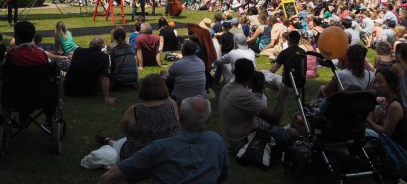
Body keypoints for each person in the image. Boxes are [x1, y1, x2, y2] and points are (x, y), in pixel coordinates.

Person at [98, 96, 229, 184]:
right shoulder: (216, 141)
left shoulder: (160, 148)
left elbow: (108, 176)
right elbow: (223, 176)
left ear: (180, 118)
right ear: (208, 120)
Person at [95, 74, 180, 161]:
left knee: (122, 143)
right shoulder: (172, 104)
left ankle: (107, 140)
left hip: (140, 157)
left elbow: (124, 130)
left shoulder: (135, 110)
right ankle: (107, 140)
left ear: (143, 88)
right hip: (168, 152)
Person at [219, 58, 290, 153]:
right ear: (251, 76)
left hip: (230, 142)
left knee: (283, 130)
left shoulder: (227, 87)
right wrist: (281, 95)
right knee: (288, 133)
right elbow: (275, 120)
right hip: (242, 144)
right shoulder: (243, 95)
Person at [366, 68, 407, 166]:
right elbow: (373, 116)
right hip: (397, 148)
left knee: (367, 134)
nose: (376, 86)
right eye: (375, 82)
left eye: (380, 82)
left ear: (391, 84)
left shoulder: (394, 106)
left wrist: (366, 120)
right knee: (366, 133)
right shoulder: (388, 101)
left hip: (405, 157)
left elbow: (385, 132)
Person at [64, 37, 115, 104]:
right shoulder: (104, 57)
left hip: (68, 89)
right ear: (101, 47)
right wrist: (107, 96)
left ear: (91, 44)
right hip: (87, 91)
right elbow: (104, 77)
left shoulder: (78, 51)